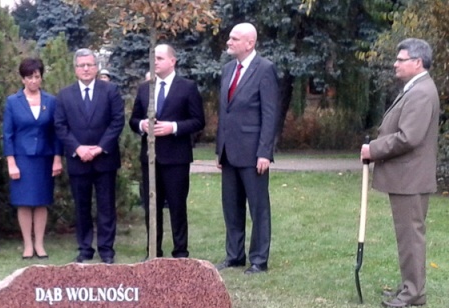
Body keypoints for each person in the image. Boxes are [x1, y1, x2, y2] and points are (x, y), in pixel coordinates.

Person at [361, 38, 440, 308]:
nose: (395, 63)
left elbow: (409, 137)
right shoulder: (416, 88)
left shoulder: (420, 92)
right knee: (408, 235)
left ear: (417, 63)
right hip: (409, 177)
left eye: (401, 59)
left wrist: (373, 149)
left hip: (411, 178)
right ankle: (410, 286)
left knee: (411, 236)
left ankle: (413, 292)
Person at [214, 22, 280, 275]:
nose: (228, 42)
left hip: (253, 153)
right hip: (230, 152)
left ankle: (259, 260)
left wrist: (264, 152)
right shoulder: (228, 69)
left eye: (234, 38)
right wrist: (220, 150)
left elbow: (269, 114)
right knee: (231, 207)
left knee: (258, 208)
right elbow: (225, 112)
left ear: (249, 43)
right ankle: (234, 256)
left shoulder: (265, 69)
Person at [129, 44, 205, 259]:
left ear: (173, 61)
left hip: (176, 158)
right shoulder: (145, 88)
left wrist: (174, 127)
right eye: (153, 58)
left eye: (160, 58)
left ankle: (180, 252)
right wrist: (141, 125)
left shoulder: (187, 87)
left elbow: (199, 121)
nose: (155, 62)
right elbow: (133, 120)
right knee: (151, 207)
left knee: (177, 206)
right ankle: (153, 251)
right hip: (150, 159)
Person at [54, 48, 125, 264]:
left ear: (96, 67)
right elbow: (60, 125)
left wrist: (98, 148)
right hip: (78, 160)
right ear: (75, 69)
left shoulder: (110, 90)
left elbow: (117, 121)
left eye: (90, 65)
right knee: (82, 207)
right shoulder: (64, 95)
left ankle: (106, 249)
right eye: (82, 65)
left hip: (104, 159)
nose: (86, 69)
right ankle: (85, 249)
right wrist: (79, 149)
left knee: (106, 206)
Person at [3, 58, 63, 260]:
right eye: (29, 77)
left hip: (44, 159)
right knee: (24, 202)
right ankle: (27, 245)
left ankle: (39, 244)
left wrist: (57, 158)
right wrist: (11, 162)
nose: (33, 81)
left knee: (41, 202)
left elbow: (56, 133)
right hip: (22, 159)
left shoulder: (51, 101)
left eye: (37, 76)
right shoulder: (13, 102)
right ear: (22, 79)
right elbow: (8, 134)